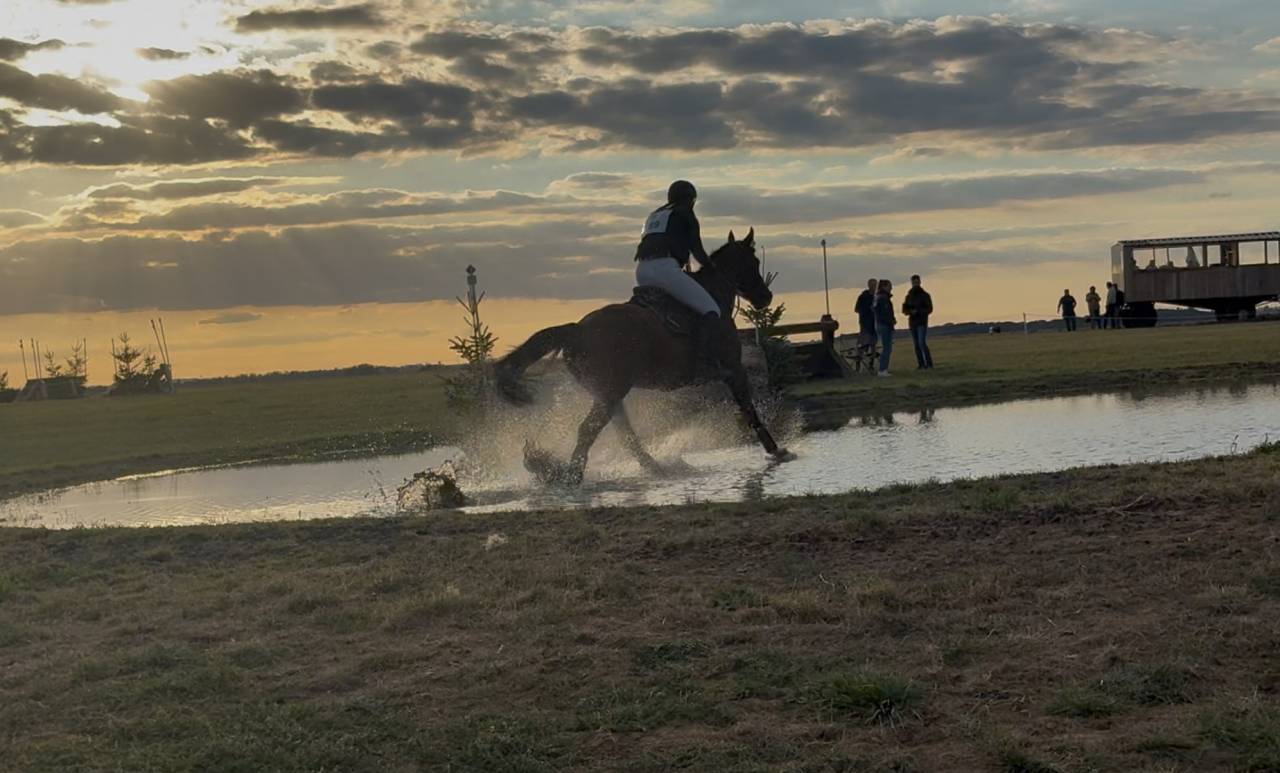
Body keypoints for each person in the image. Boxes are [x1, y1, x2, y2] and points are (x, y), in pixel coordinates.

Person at [635, 180, 721, 370]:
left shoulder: (655, 215)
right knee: (711, 311)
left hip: (642, 271)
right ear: (691, 200)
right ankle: (704, 361)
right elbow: (696, 250)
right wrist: (713, 269)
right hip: (665, 269)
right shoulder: (686, 213)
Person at [901, 274, 934, 369]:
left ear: (920, 282)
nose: (915, 284)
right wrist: (909, 311)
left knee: (921, 343)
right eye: (914, 282)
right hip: (912, 322)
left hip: (922, 322)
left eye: (917, 282)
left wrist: (918, 311)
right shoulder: (909, 296)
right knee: (916, 344)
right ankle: (921, 364)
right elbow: (904, 309)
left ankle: (929, 364)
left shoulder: (925, 295)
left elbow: (929, 309)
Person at [873, 279, 896, 376]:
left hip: (880, 324)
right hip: (885, 325)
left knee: (886, 347)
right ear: (884, 286)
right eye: (889, 286)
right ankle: (882, 370)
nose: (891, 288)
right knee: (887, 348)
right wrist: (891, 321)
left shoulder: (878, 298)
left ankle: (883, 369)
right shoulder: (883, 298)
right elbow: (885, 313)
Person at [853, 278, 877, 360]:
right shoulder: (863, 297)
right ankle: (859, 361)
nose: (874, 287)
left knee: (873, 344)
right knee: (863, 344)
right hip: (865, 324)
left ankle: (872, 364)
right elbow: (856, 309)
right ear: (869, 286)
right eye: (873, 285)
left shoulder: (877, 296)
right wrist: (868, 309)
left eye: (875, 285)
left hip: (874, 324)